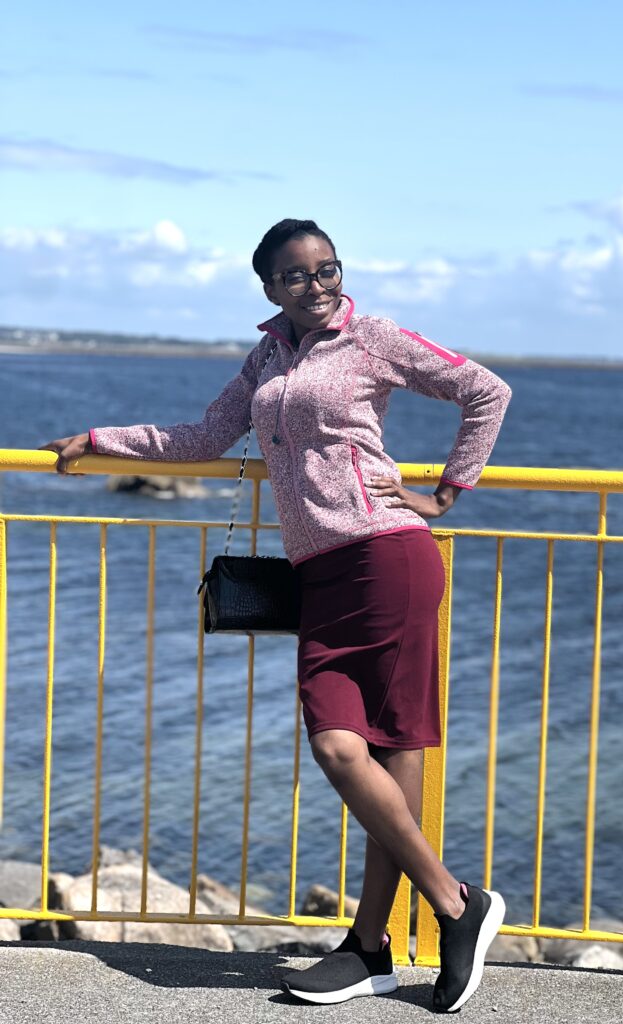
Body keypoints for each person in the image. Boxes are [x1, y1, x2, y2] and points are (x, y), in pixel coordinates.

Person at [41, 218, 512, 1013]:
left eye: (329, 270)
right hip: (320, 574)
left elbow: (485, 391)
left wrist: (446, 493)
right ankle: (418, 925)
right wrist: (99, 439)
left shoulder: (373, 337)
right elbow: (201, 435)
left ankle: (400, 932)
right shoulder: (266, 356)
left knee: (380, 745)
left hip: (389, 556)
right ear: (268, 288)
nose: (320, 286)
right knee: (344, 743)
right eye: (298, 276)